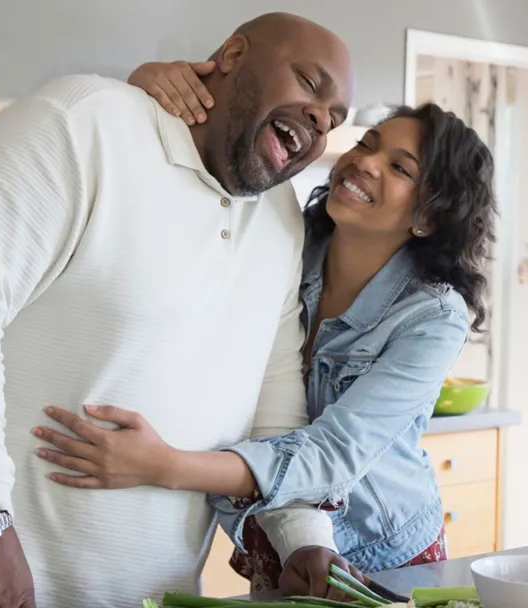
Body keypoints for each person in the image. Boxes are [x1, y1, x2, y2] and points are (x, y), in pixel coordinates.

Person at [0, 12, 356, 607]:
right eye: (310, 85)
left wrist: (302, 539)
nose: (320, 119)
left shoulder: (281, 219)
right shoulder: (81, 125)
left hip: (157, 593)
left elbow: (275, 401)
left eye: (335, 119)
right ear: (232, 55)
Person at [33, 60, 498, 596]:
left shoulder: (434, 316)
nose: (366, 163)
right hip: (277, 535)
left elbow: (330, 454)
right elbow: (201, 188)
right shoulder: (284, 243)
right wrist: (149, 92)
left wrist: (165, 466)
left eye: (401, 168)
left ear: (430, 216)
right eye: (367, 144)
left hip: (382, 553)